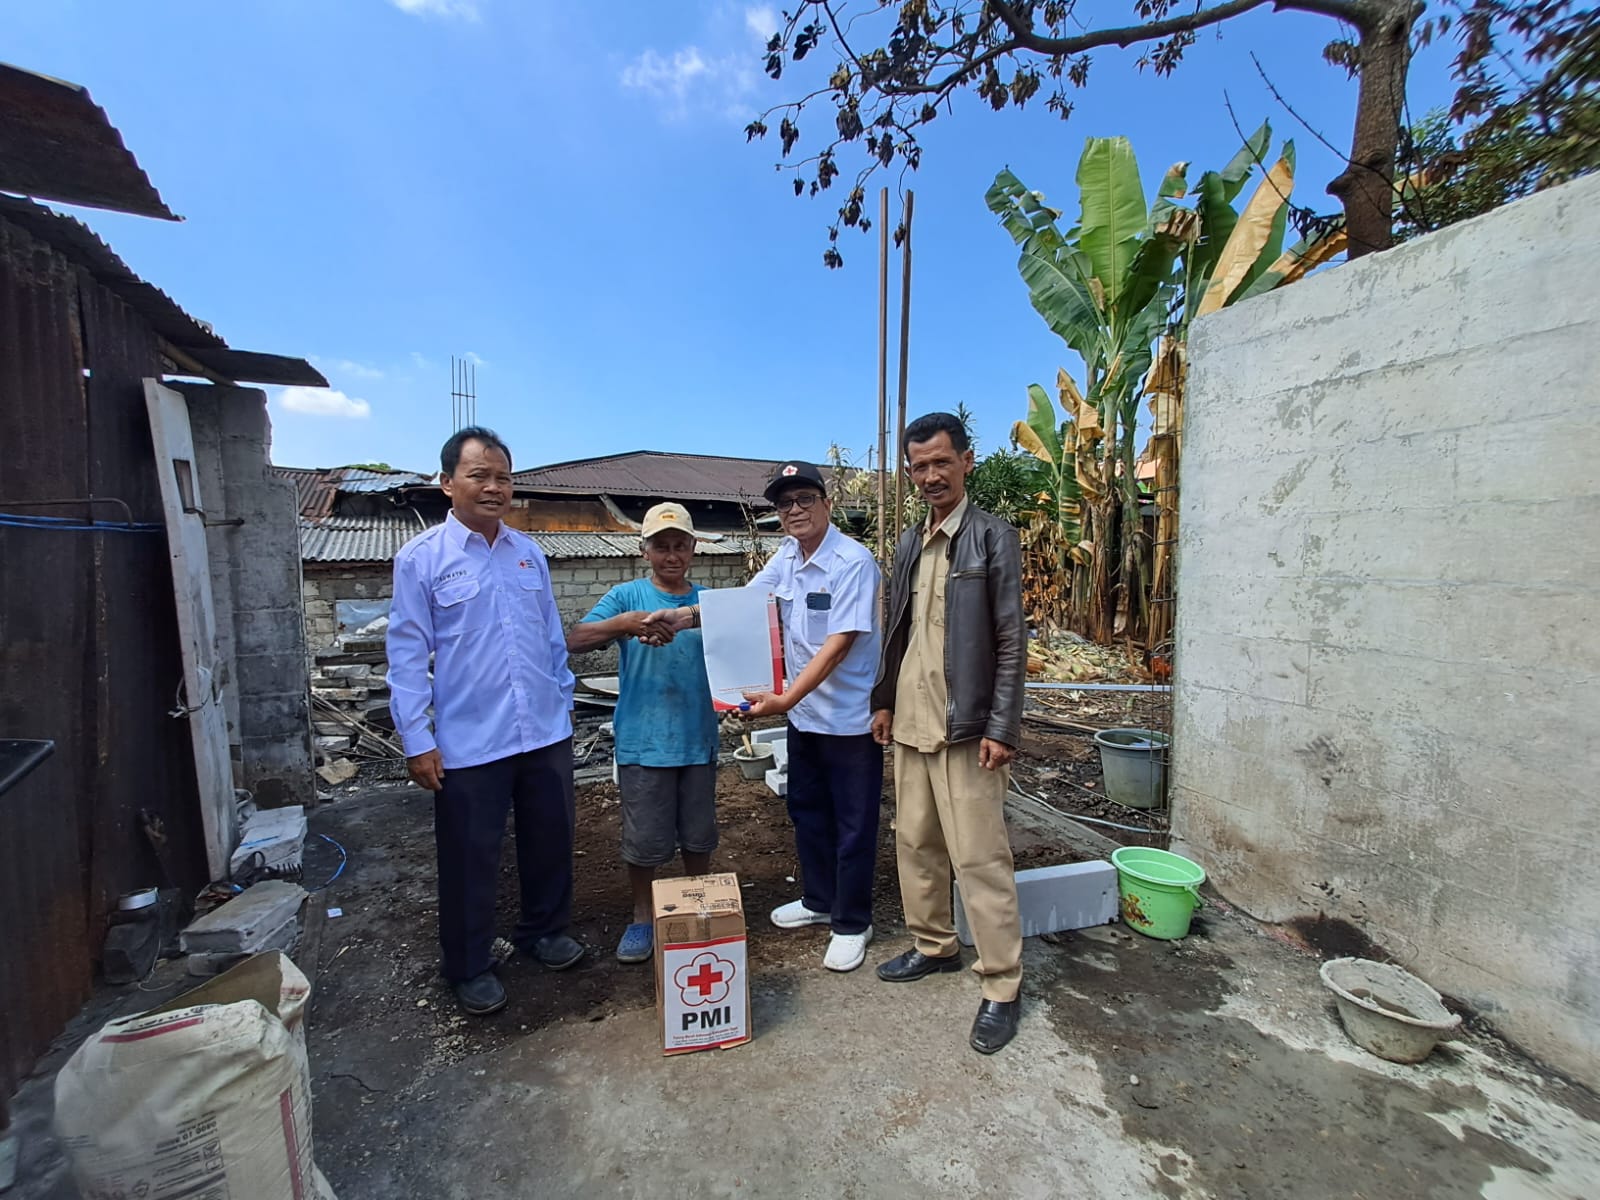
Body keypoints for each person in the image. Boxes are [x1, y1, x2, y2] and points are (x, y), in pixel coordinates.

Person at [387, 426, 585, 1016]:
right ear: (448, 483)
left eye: (502, 476)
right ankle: (469, 963)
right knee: (471, 856)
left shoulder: (530, 553)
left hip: (544, 730)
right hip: (470, 741)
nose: (494, 487)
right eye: (480, 475)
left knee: (551, 840)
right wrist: (417, 741)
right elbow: (404, 657)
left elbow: (551, 637)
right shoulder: (422, 560)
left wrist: (565, 699)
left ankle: (543, 932)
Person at [660, 461, 883, 972]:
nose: (795, 511)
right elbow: (742, 604)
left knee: (853, 824)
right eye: (785, 504)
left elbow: (838, 646)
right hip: (804, 718)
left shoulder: (853, 562)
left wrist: (782, 698)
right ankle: (819, 899)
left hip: (848, 721)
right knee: (806, 811)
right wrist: (684, 616)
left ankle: (853, 921)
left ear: (827, 503)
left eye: (805, 499)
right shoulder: (788, 557)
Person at [870, 412, 1027, 1054]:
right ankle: (934, 946)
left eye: (941, 462)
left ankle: (1002, 985)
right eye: (919, 467)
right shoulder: (910, 542)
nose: (931, 476)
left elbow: (1012, 639)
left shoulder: (993, 538)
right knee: (916, 844)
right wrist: (882, 701)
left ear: (966, 462)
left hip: (967, 729)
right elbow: (897, 631)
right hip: (910, 719)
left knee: (980, 858)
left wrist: (1003, 725)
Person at [566, 502, 720, 965]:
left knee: (698, 833)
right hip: (644, 738)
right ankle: (642, 915)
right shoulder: (627, 596)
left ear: (693, 549)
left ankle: (698, 906)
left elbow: (743, 644)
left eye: (679, 546)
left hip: (697, 735)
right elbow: (575, 638)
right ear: (644, 550)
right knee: (645, 838)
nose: (671, 555)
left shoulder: (708, 603)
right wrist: (628, 626)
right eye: (661, 547)